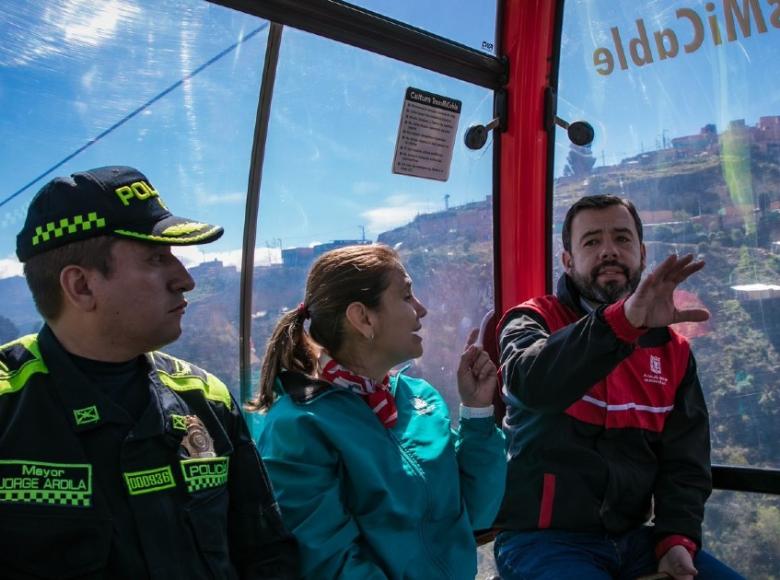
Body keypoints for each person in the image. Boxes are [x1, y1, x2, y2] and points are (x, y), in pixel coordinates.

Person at [0, 166, 298, 579]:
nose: (187, 279)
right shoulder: (7, 406)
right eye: (157, 258)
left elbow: (267, 555)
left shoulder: (205, 396)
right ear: (81, 287)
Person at [493, 195, 743, 580]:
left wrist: (676, 539)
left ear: (642, 254)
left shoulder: (673, 353)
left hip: (634, 542)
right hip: (543, 542)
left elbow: (685, 463)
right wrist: (621, 323)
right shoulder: (531, 321)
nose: (609, 251)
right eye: (591, 241)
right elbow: (532, 383)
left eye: (622, 239)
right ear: (567, 260)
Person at [252, 244, 506, 579]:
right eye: (406, 296)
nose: (422, 309)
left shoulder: (419, 399)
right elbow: (328, 564)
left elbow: (478, 514)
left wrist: (476, 411)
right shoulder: (299, 426)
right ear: (363, 317)